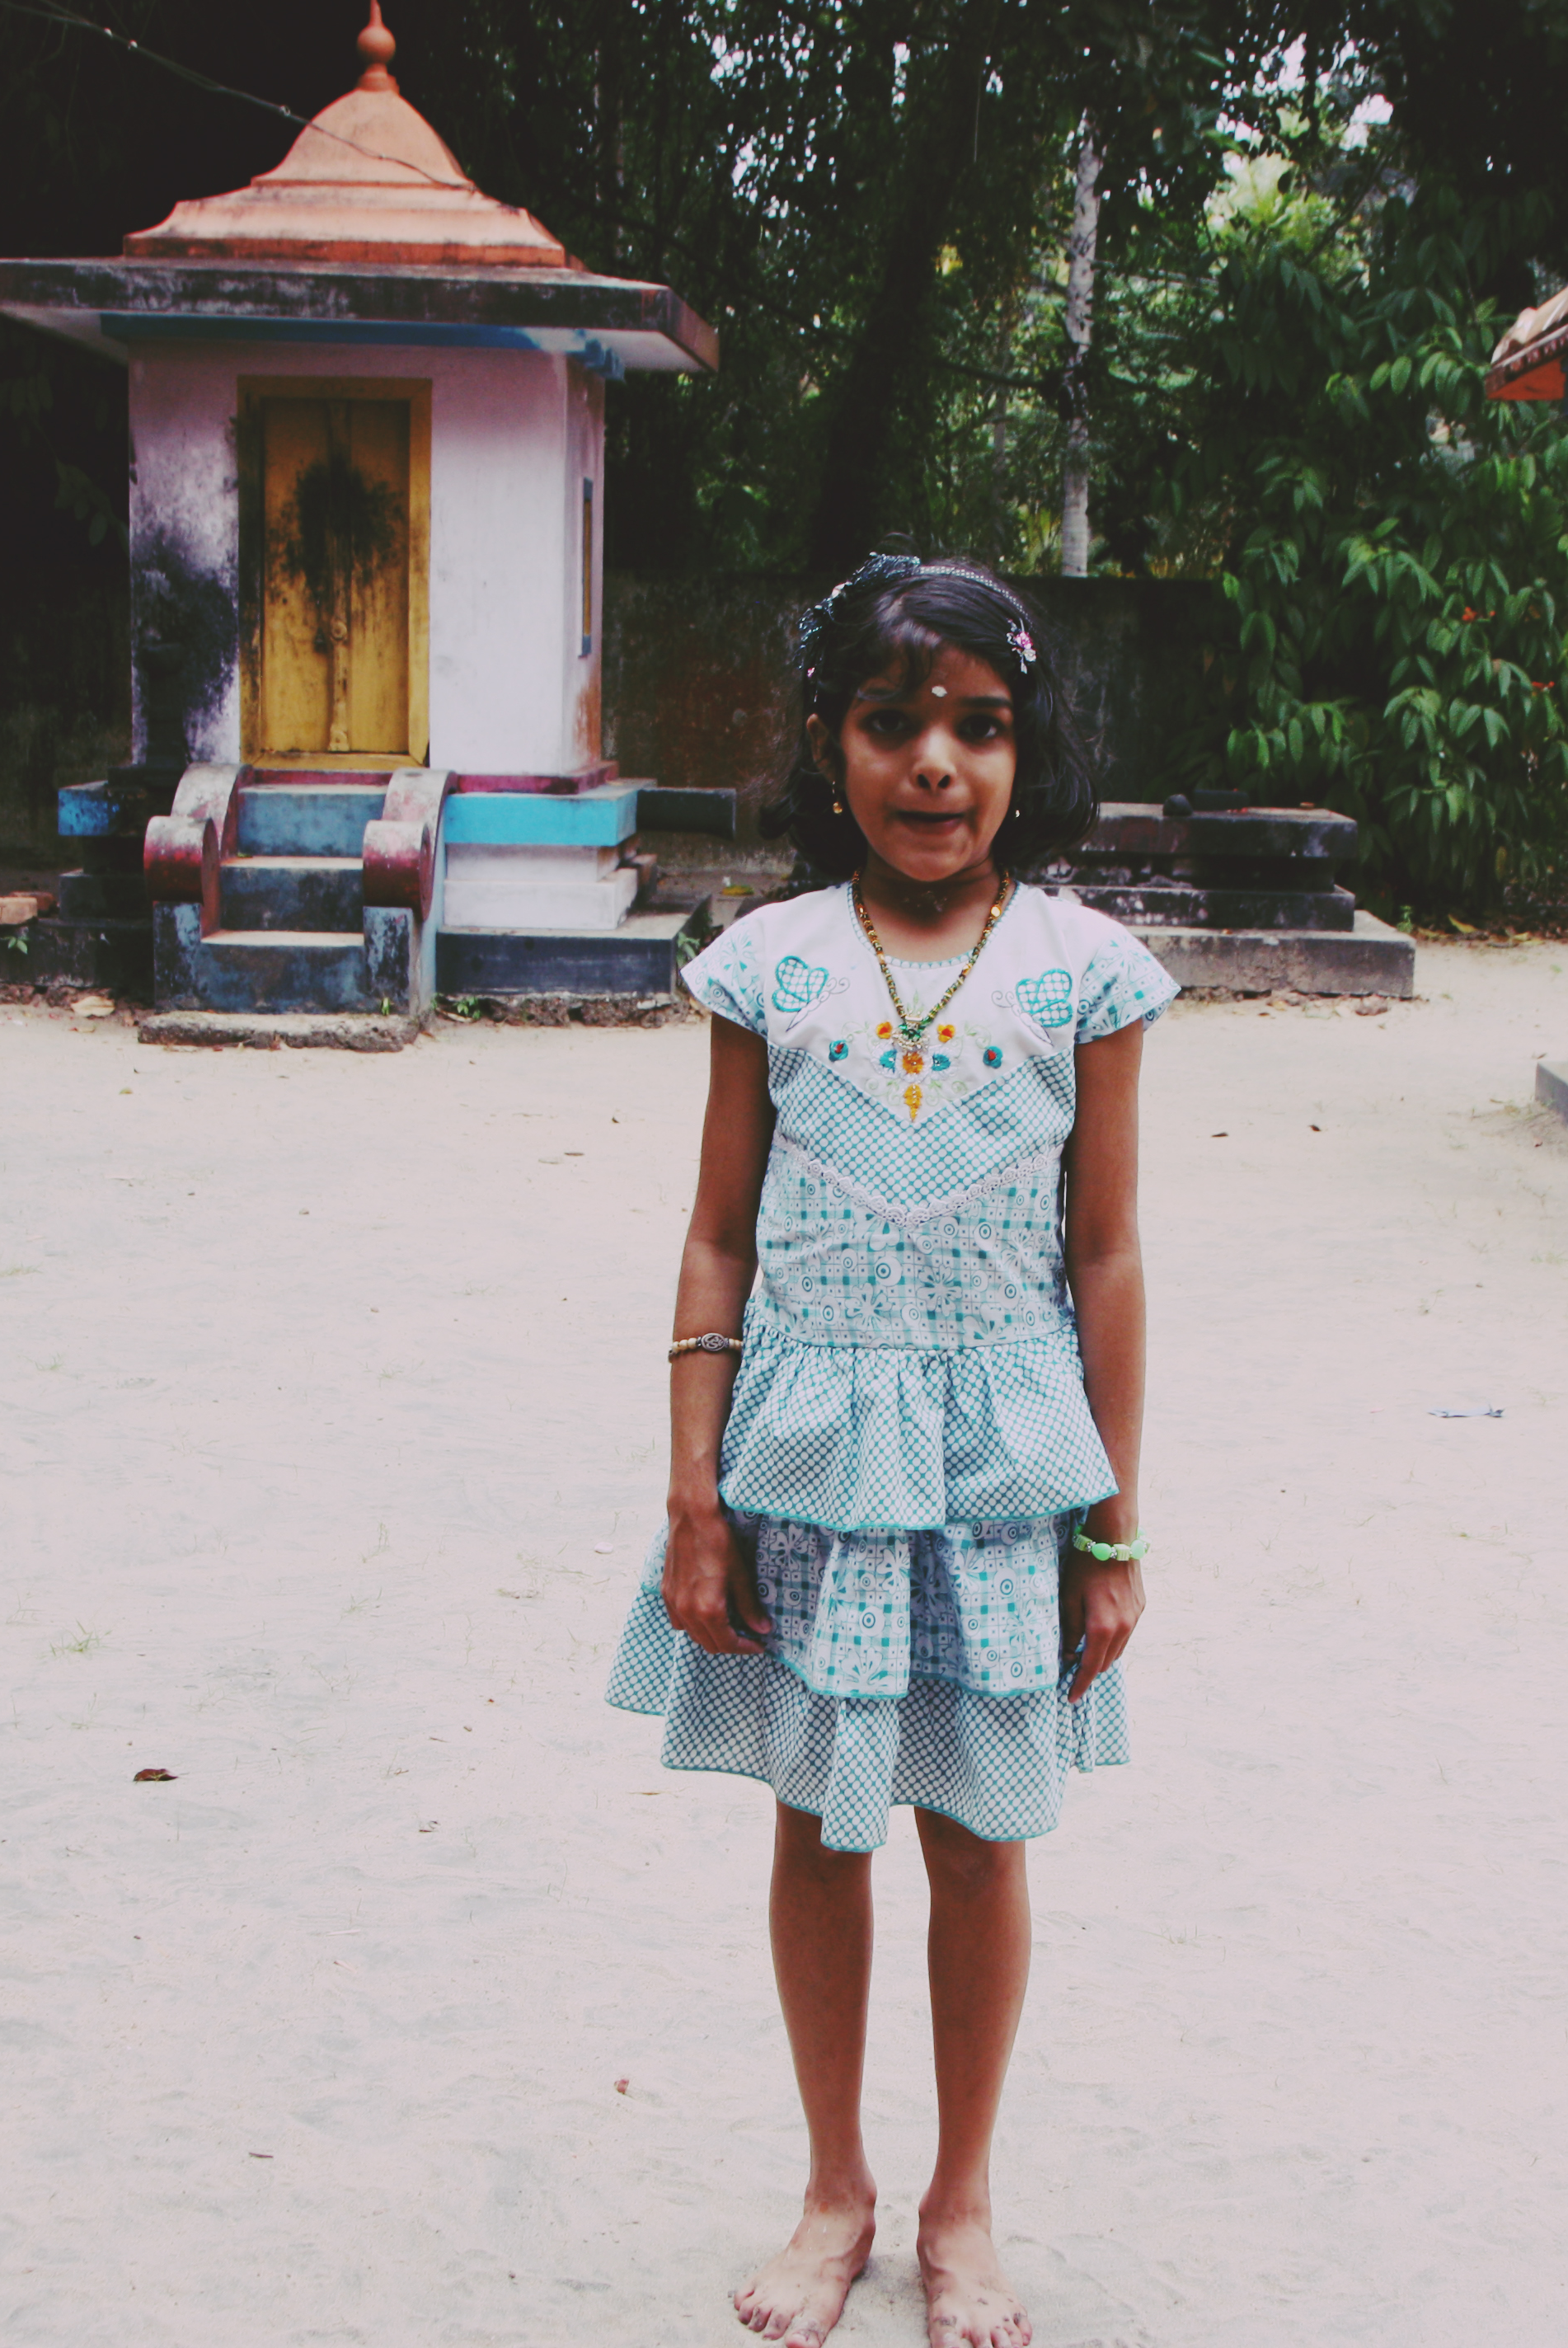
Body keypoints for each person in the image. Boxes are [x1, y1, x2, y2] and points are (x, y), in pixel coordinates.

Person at [608, 553, 1174, 2348]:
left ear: (1027, 748)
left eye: (979, 726)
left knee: (985, 1833)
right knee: (819, 1817)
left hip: (1006, 1476)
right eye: (893, 721)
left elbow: (1108, 1253)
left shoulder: (1089, 974)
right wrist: (695, 1495)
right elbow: (715, 1236)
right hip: (811, 1466)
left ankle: (964, 2204)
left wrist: (1114, 1522)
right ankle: (836, 2184)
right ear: (825, 740)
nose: (936, 763)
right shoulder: (763, 967)